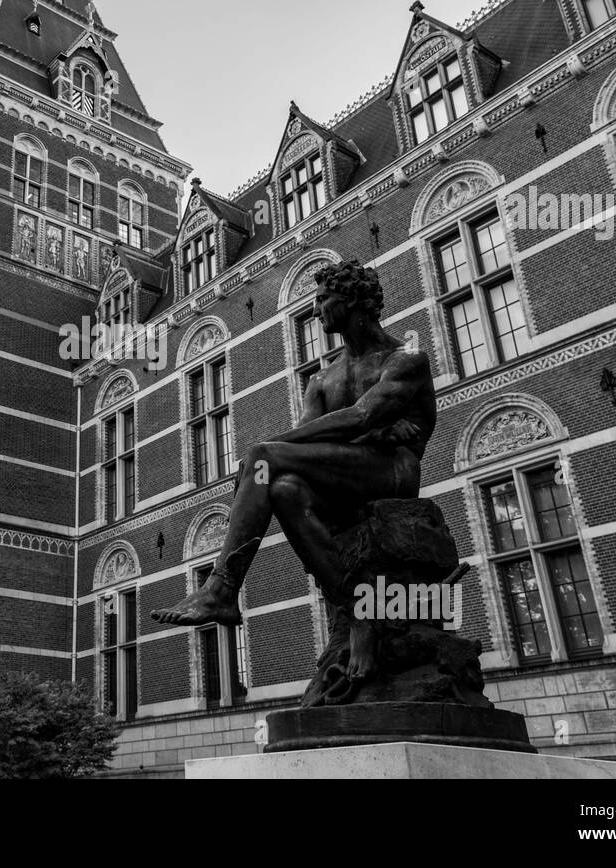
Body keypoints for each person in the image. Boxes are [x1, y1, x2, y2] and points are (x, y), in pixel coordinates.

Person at [150, 260, 436, 681]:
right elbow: (313, 443)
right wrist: (279, 452)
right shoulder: (322, 380)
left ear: (353, 301)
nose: (316, 310)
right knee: (282, 488)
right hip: (344, 477)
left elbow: (359, 417)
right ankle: (359, 610)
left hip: (392, 473)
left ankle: (222, 588)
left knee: (265, 459)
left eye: (323, 300)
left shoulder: (405, 358)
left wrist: (266, 451)